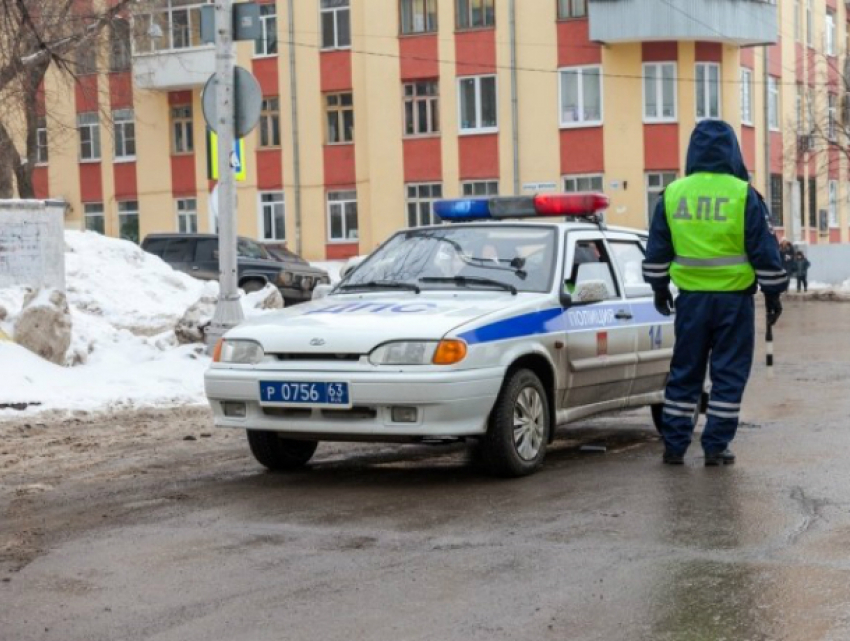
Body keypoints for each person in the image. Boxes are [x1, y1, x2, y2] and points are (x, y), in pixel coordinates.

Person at [642, 120, 788, 467]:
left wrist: (659, 288)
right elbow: (764, 251)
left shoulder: (672, 194)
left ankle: (674, 445)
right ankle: (715, 445)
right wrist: (773, 294)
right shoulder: (744, 195)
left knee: (685, 371)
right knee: (728, 374)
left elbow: (657, 251)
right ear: (732, 151)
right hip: (733, 302)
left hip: (690, 301)